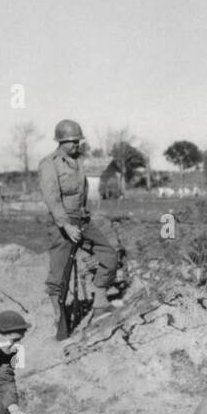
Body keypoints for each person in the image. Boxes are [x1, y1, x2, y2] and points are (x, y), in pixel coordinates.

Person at [38, 119, 122, 340]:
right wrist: (65, 224)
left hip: (82, 220)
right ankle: (60, 319)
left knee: (109, 255)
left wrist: (83, 217)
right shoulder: (49, 164)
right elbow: (52, 198)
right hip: (61, 224)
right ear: (62, 142)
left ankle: (100, 304)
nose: (77, 145)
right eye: (73, 142)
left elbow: (83, 192)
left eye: (78, 141)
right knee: (59, 276)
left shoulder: (79, 162)